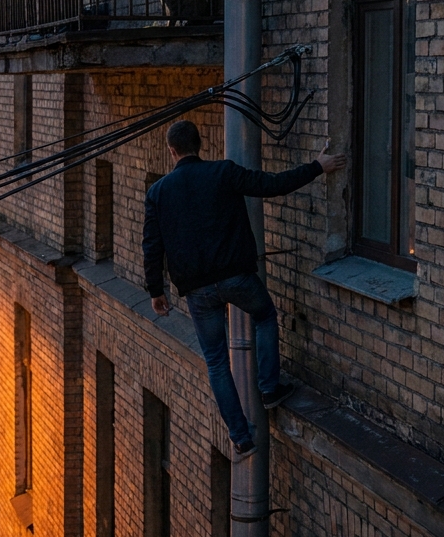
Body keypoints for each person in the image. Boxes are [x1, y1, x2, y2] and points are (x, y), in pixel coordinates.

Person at [143, 120, 344, 460]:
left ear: (172, 151)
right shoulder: (223, 172)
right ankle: (269, 388)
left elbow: (152, 245)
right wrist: (317, 166)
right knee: (265, 315)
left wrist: (155, 290)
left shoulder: (158, 192)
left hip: (197, 290)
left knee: (217, 363)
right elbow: (273, 185)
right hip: (236, 277)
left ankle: (241, 438)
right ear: (200, 144)